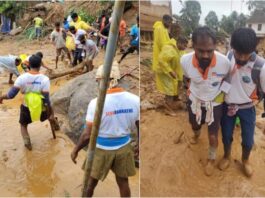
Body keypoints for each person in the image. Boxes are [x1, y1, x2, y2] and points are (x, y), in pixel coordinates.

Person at [71, 63, 139, 197]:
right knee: (123, 182)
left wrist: (75, 150)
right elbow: (138, 126)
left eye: (98, 81)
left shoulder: (96, 103)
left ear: (103, 80)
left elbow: (87, 135)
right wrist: (139, 144)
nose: (97, 83)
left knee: (90, 183)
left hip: (101, 149)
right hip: (124, 148)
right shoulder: (135, 100)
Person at [180, 26, 231, 176]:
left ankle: (211, 159)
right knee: (194, 124)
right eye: (200, 50)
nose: (205, 55)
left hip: (214, 104)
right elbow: (186, 79)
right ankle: (196, 135)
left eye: (209, 50)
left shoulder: (224, 63)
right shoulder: (185, 60)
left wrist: (222, 97)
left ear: (215, 46)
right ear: (193, 46)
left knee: (213, 134)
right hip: (194, 100)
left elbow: (227, 81)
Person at [218, 28, 265, 177]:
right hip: (227, 106)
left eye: (247, 54)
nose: (242, 58)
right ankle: (227, 156)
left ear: (254, 49)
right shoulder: (229, 55)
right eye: (239, 53)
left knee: (248, 139)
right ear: (233, 48)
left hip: (247, 108)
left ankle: (245, 160)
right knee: (226, 135)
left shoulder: (261, 66)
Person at [0, 55, 55, 150]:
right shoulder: (45, 79)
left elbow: (11, 95)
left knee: (23, 125)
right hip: (41, 105)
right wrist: (50, 113)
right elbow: (46, 99)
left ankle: (28, 144)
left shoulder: (22, 78)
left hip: (27, 106)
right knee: (50, 117)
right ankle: (56, 126)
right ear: (40, 65)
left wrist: (1, 97)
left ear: (28, 64)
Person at [156, 24, 188, 116]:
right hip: (164, 72)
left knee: (179, 84)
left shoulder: (180, 50)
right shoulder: (169, 49)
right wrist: (170, 71)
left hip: (174, 71)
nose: (186, 47)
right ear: (180, 43)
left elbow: (183, 59)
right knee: (170, 89)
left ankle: (175, 102)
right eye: (185, 45)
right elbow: (162, 61)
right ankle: (168, 109)